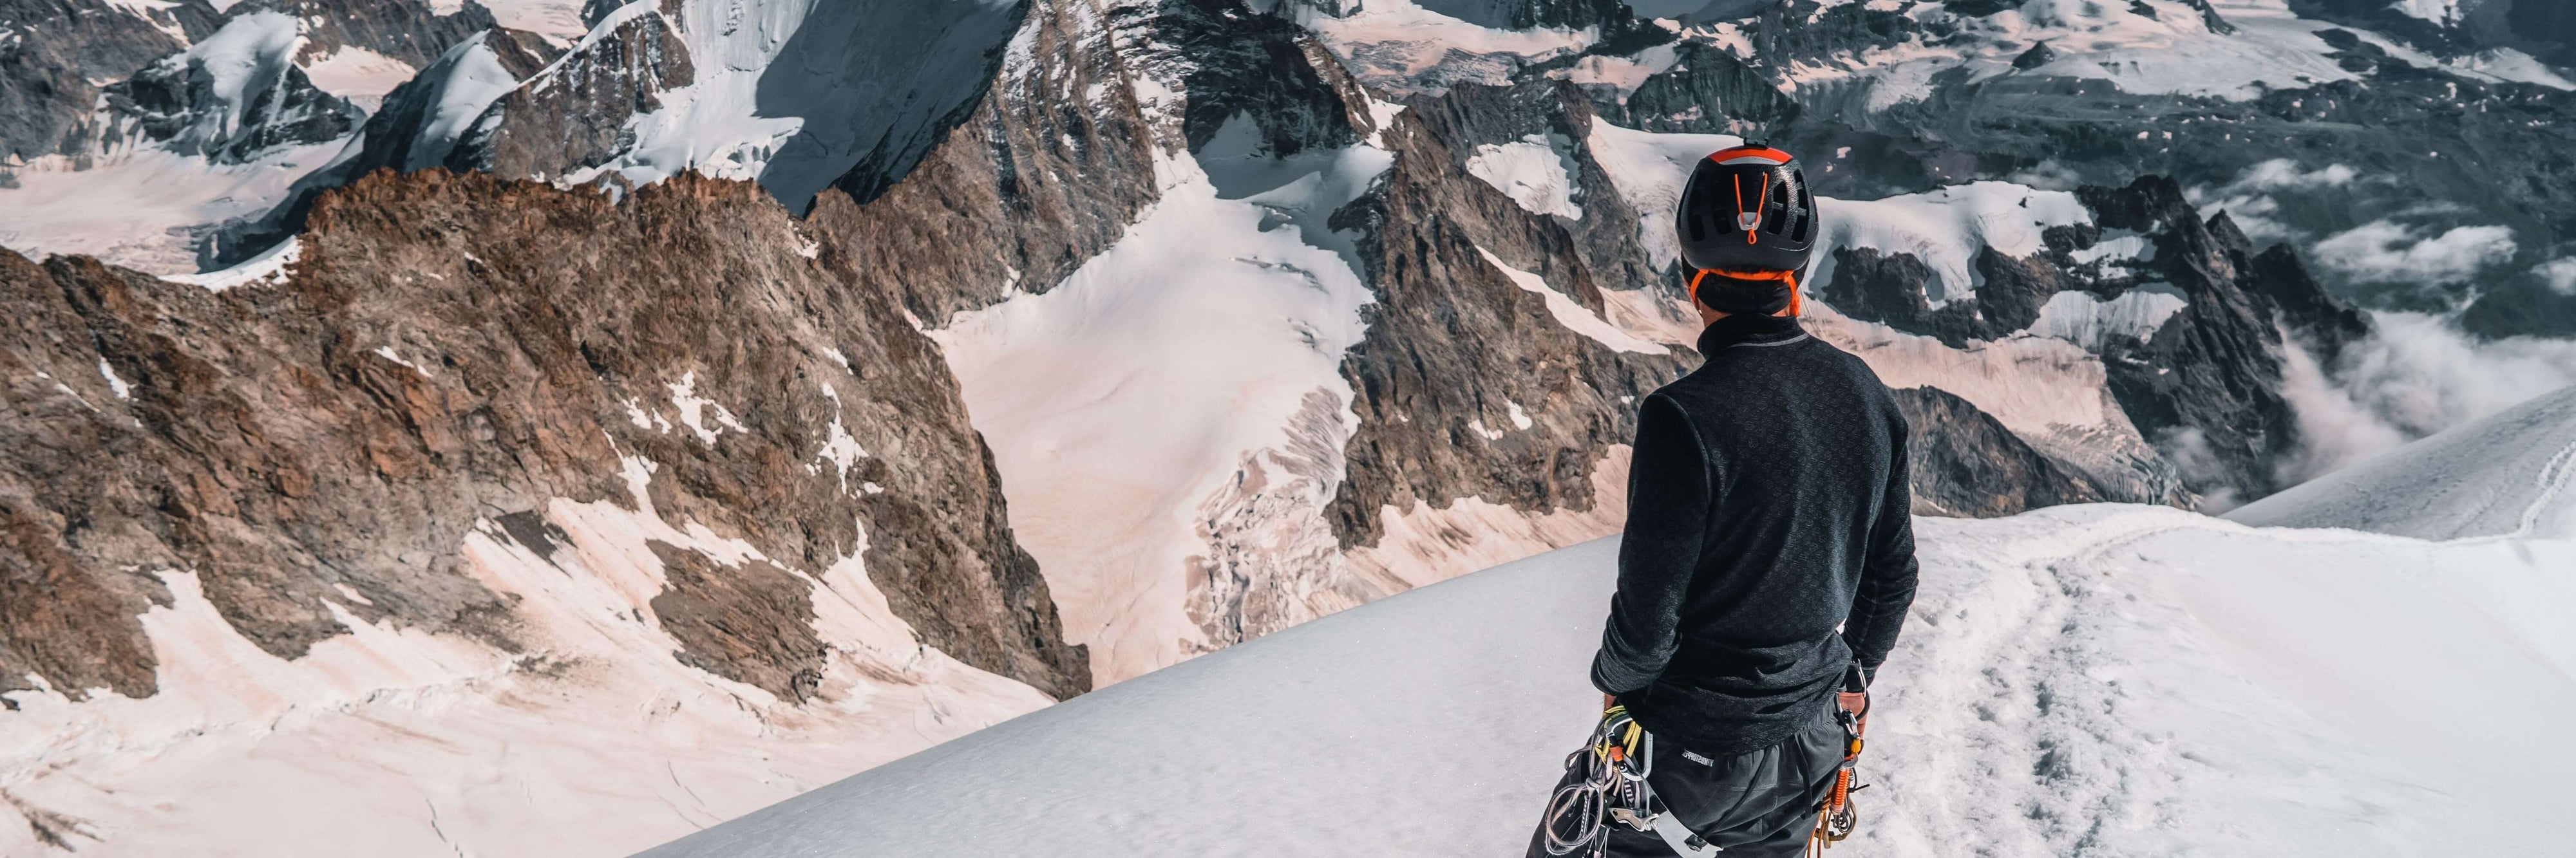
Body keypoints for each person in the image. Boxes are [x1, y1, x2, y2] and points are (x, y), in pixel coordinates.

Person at [1527, 143, 1920, 857]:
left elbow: (1647, 624)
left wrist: (1613, 683)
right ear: (1798, 276)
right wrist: (1852, 674)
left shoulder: (1684, 415)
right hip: (1811, 744)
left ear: (1689, 279)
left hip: (1690, 752)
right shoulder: (1865, 395)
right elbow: (1891, 576)